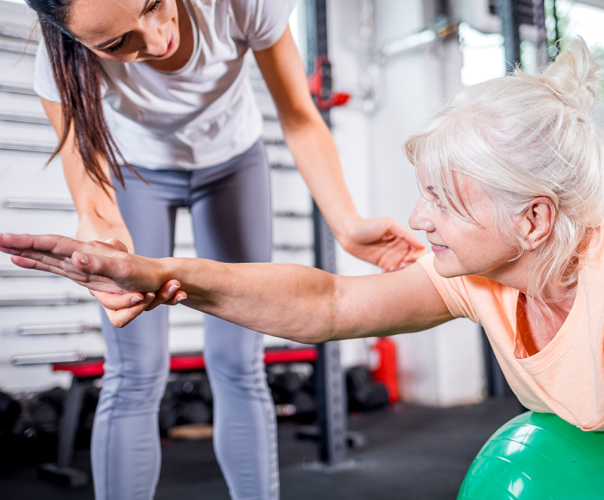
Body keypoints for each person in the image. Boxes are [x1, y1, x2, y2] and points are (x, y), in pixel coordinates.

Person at [0, 38, 604, 499]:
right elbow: (331, 305)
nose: (418, 219)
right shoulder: (482, 278)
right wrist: (165, 277)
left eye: (443, 201)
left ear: (533, 221)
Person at [23, 0, 425, 498]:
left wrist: (346, 223)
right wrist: (104, 240)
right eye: (116, 43)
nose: (154, 39)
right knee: (133, 370)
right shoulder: (59, 51)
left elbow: (299, 115)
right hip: (138, 171)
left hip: (232, 165)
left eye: (153, 5)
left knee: (239, 361)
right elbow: (92, 196)